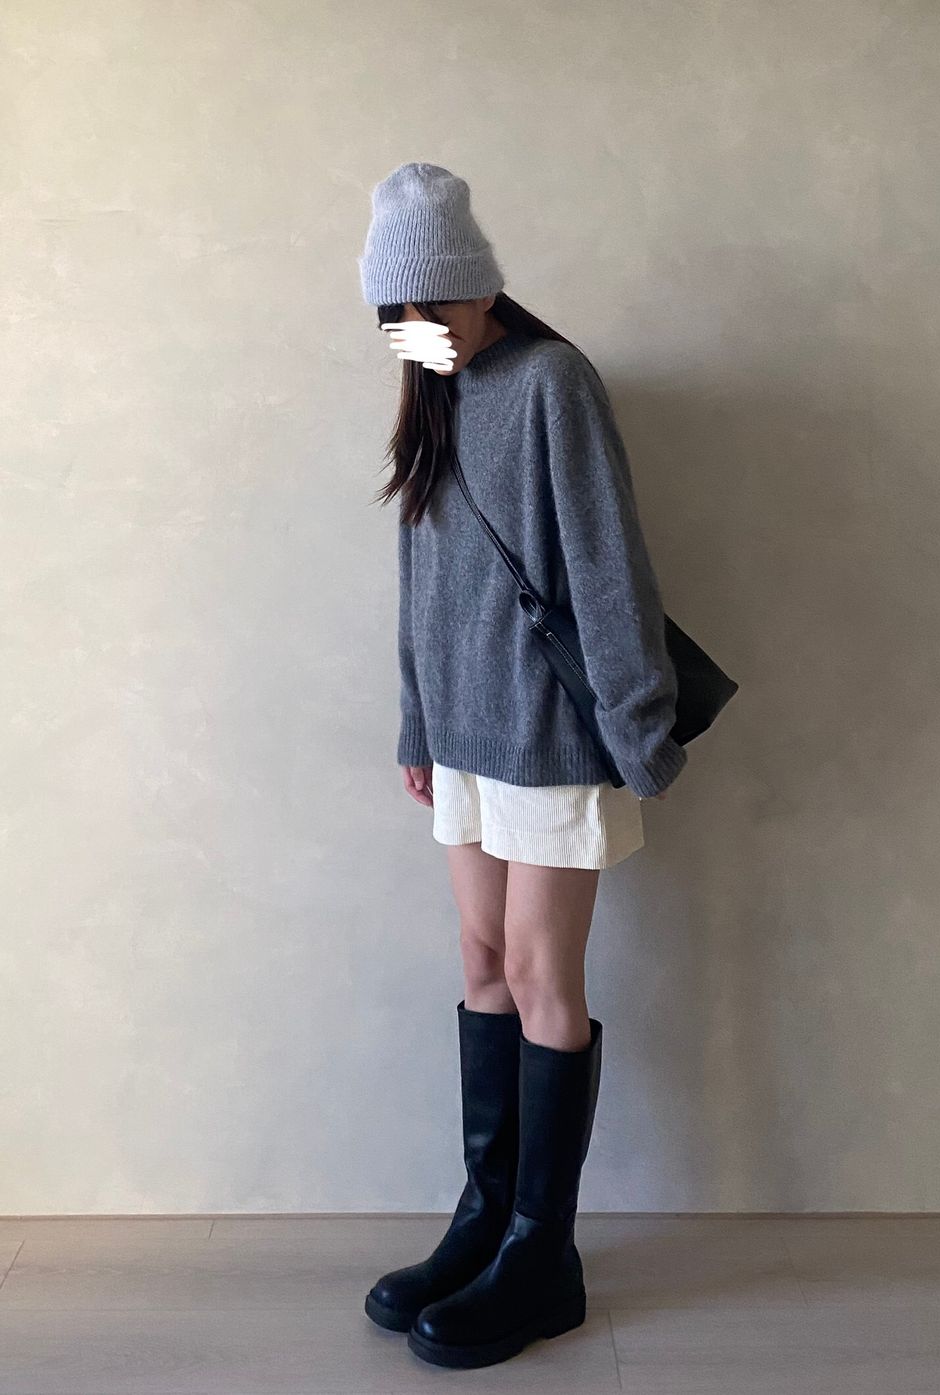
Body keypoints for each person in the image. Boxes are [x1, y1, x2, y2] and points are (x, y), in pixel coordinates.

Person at [357, 162, 685, 1369]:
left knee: (546, 976)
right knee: (483, 961)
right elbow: (419, 576)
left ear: (479, 289)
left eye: (433, 307)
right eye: (397, 315)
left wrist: (638, 724)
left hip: (547, 735)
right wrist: (415, 725)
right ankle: (486, 1220)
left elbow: (606, 561)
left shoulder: (552, 382)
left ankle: (543, 1257)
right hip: (461, 739)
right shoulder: (428, 388)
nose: (419, 330)